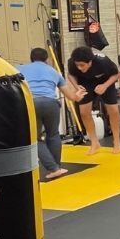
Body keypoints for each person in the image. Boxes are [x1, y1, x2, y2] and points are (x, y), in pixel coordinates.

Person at [17, 47, 86, 180]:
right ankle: (57, 167)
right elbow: (72, 97)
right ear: (47, 59)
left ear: (31, 58)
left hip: (32, 103)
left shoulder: (21, 68)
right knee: (53, 134)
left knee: (34, 138)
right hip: (51, 103)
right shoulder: (53, 71)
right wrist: (79, 94)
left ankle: (53, 168)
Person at [67, 44, 120, 155]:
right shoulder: (72, 62)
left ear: (90, 62)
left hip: (105, 81)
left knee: (113, 111)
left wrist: (105, 86)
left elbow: (117, 74)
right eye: (77, 65)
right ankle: (94, 143)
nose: (79, 68)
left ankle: (116, 142)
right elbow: (70, 75)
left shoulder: (103, 61)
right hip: (85, 83)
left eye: (82, 65)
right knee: (83, 112)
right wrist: (76, 86)